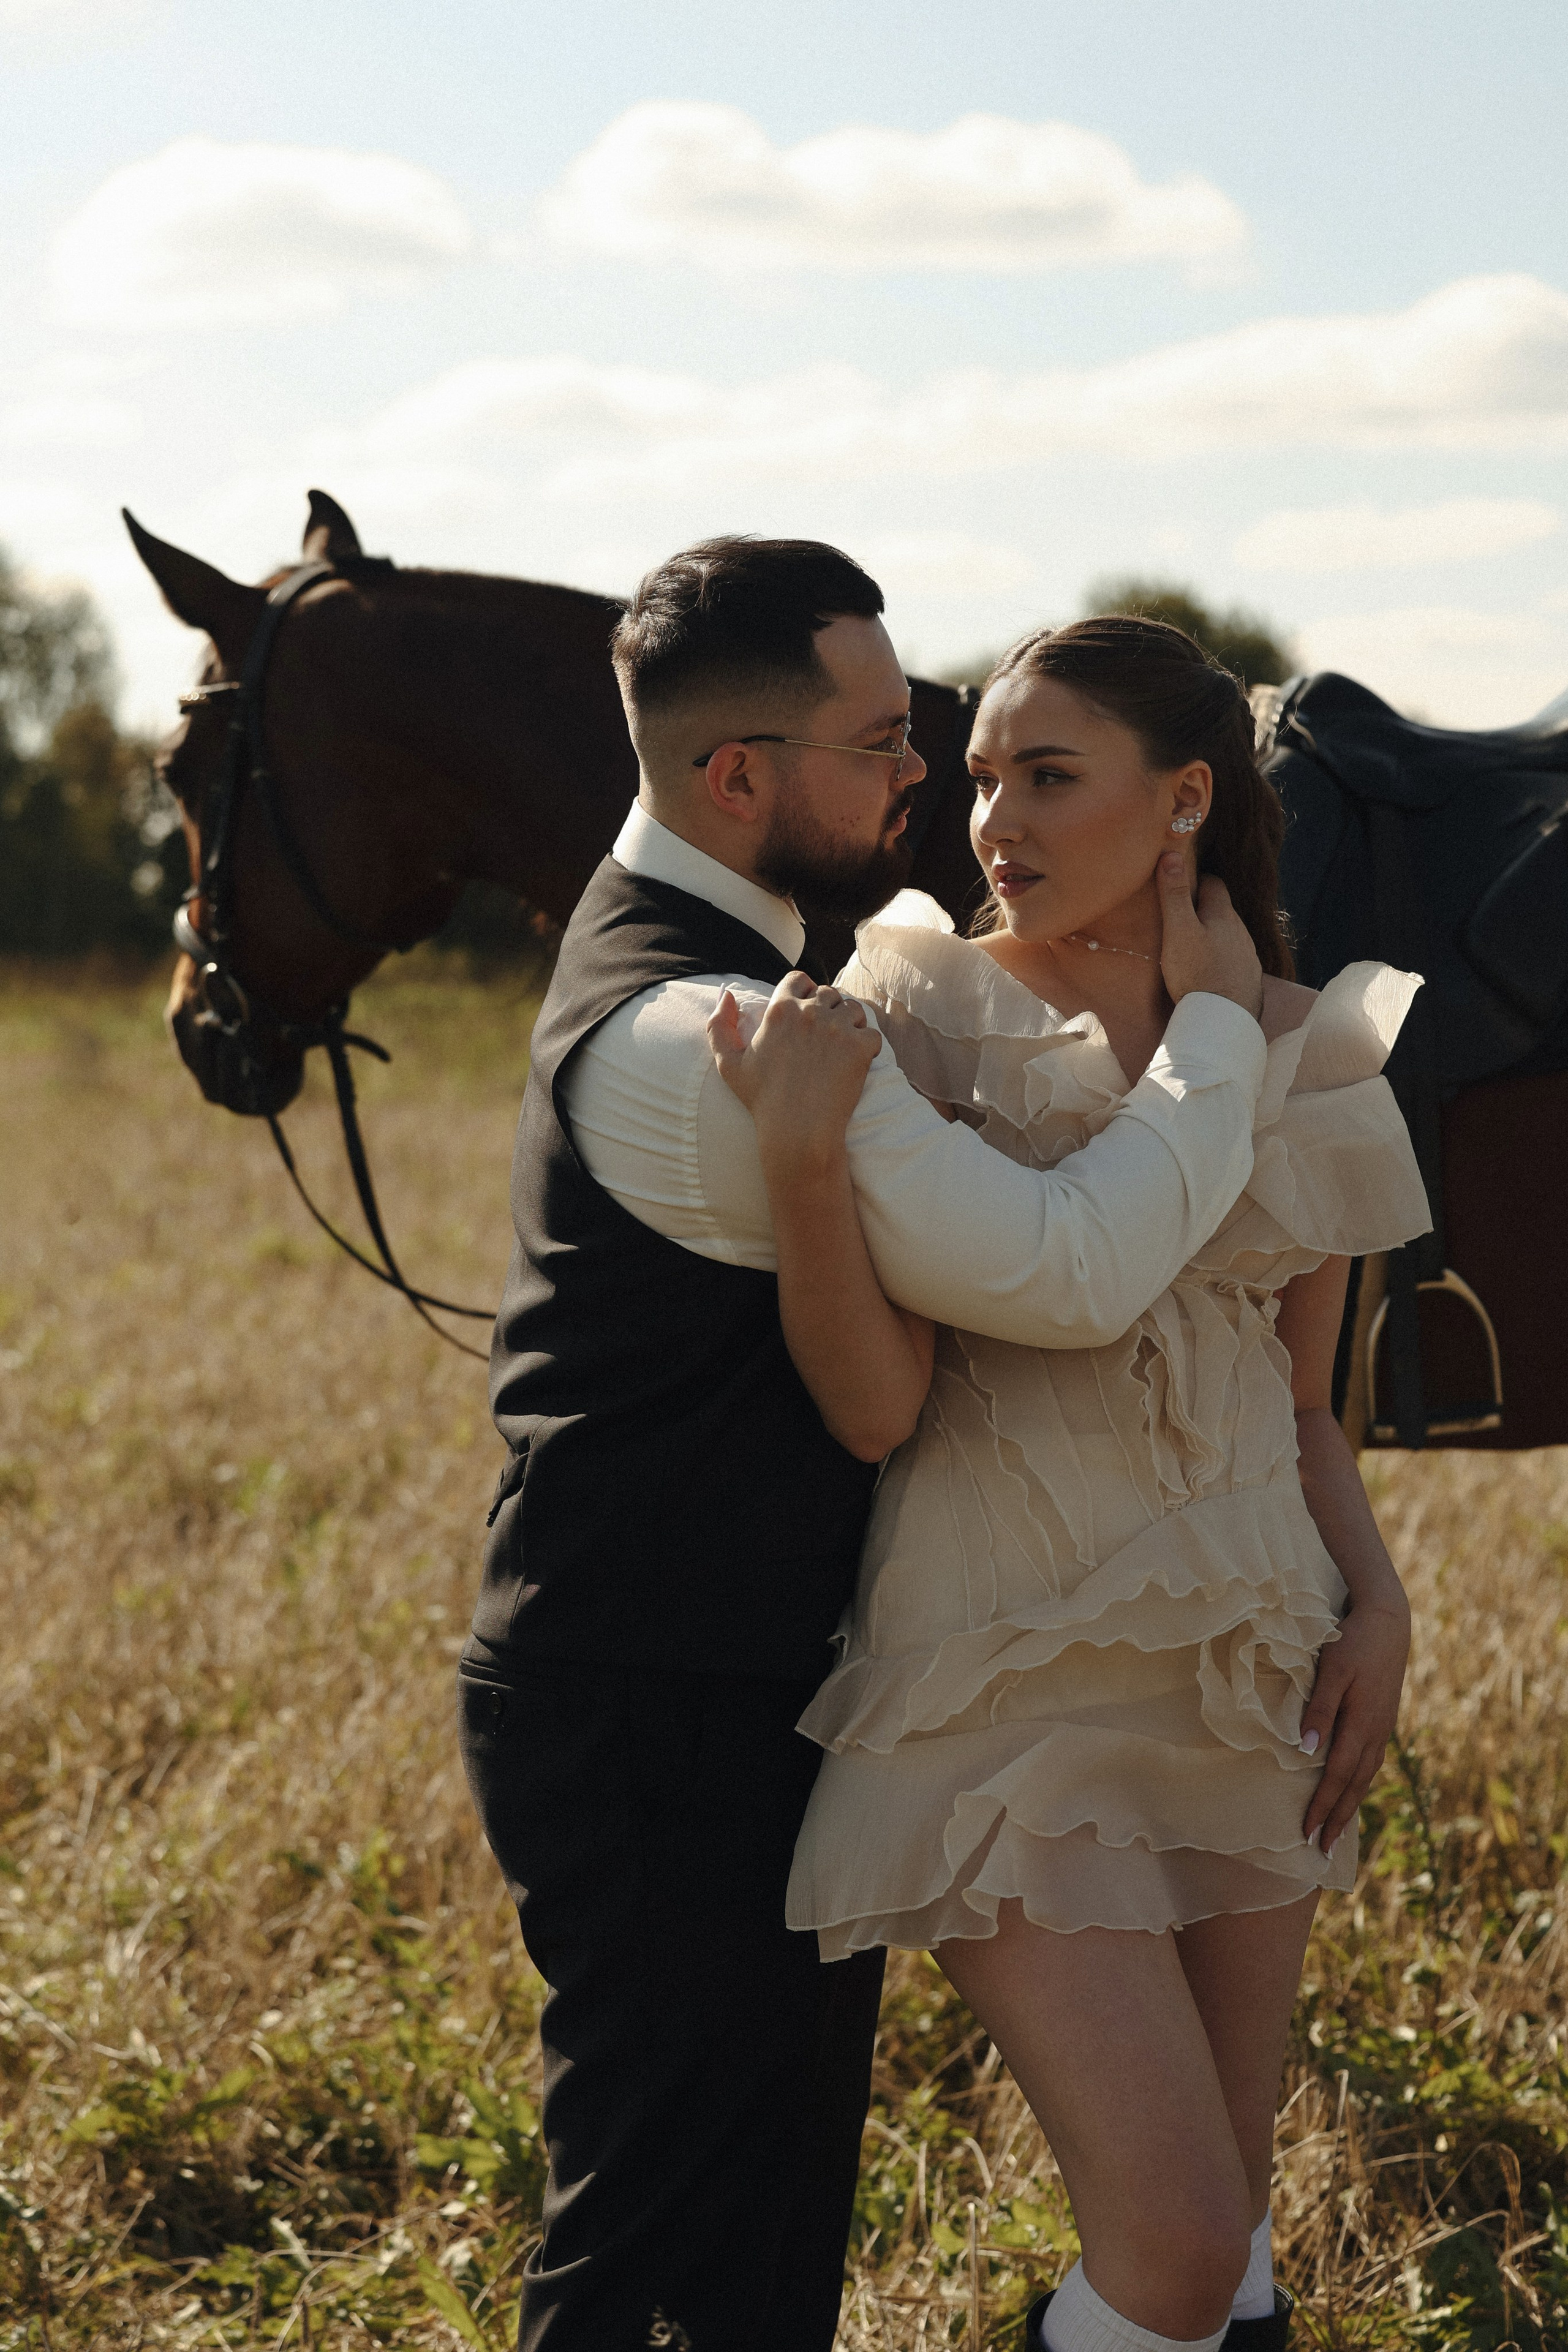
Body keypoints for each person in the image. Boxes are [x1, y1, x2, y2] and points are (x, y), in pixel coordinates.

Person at [461, 546, 1276, 2352]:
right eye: (886, 741)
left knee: (757, 2256)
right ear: (738, 773)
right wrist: (1218, 1033)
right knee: (665, 2244)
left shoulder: (739, 978)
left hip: (722, 1683)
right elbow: (1068, 1272)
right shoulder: (719, 1040)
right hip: (648, 1701)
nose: (924, 784)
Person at [708, 615, 1431, 2352]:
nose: (992, 822)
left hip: (1251, 1665)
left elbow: (1308, 1410)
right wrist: (810, 1172)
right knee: (1178, 2246)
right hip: (1004, 1675)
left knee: (1224, 2264)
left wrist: (1385, 1607)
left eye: (1047, 776)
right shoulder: (910, 1011)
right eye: (978, 779)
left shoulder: (1299, 1041)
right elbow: (877, 1405)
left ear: (1186, 797)